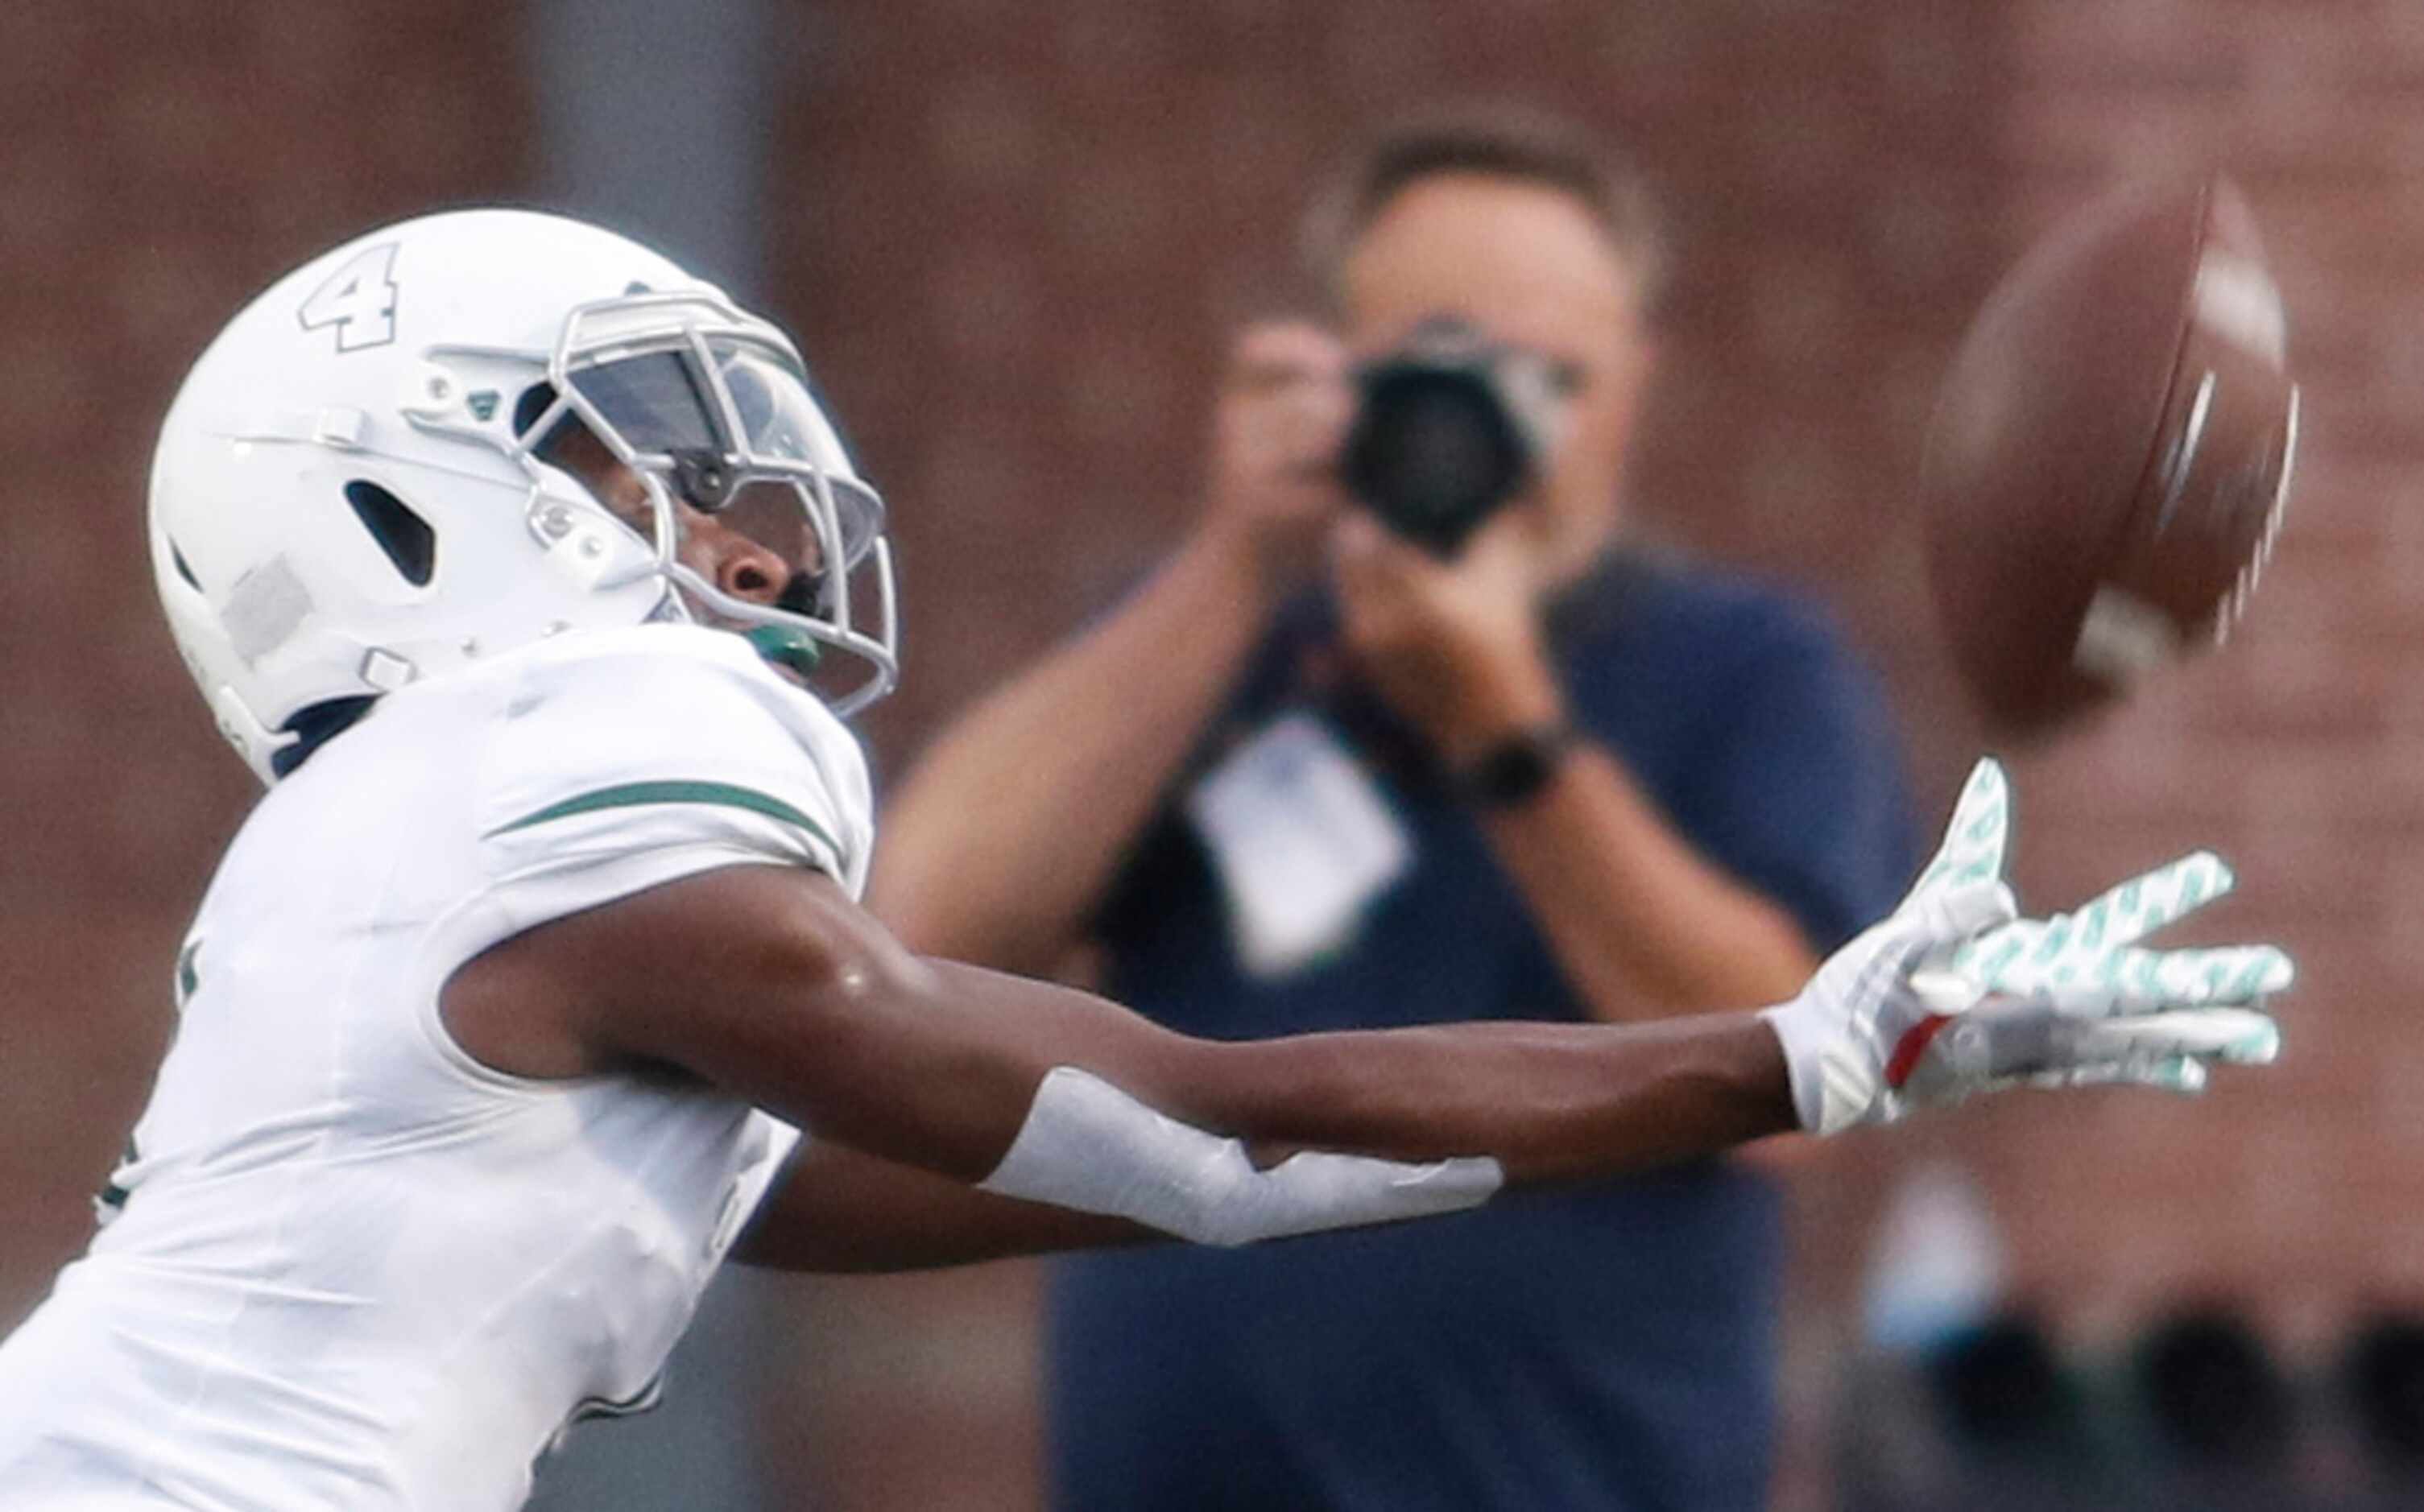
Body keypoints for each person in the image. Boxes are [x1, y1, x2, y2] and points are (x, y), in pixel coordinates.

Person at [0, 206, 2285, 1512]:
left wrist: (1765, 1069)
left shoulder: (399, 859)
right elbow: (1195, 1126)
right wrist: (1791, 1052)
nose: (739, 517)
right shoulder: (558, 752)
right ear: (410, 511)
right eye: (639, 458)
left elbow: (1104, 1165)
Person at [867, 112, 2040, 1509]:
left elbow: (1807, 1080)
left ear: (1635, 383)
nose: (1491, 411)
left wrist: (1508, 734)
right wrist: (1235, 554)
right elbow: (915, 930)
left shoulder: (1748, 672)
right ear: (1332, 362)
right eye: (1439, 354)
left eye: (1548, 369)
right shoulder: (1204, 645)